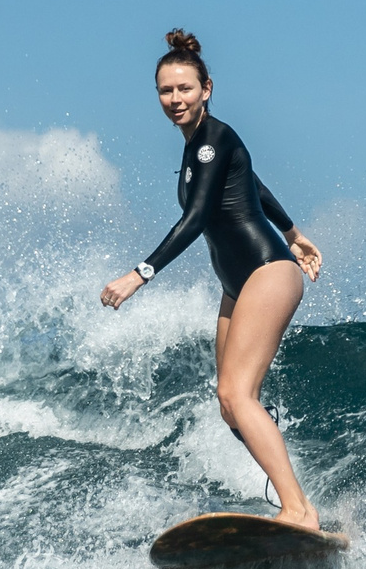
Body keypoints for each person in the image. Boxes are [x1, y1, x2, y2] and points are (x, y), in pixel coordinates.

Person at [100, 29, 326, 530]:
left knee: (235, 395)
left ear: (207, 88)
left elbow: (198, 216)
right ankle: (295, 498)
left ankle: (298, 509)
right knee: (231, 407)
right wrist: (294, 231)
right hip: (237, 284)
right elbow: (254, 185)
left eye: (184, 88)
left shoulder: (213, 138)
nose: (175, 99)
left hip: (267, 273)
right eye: (165, 90)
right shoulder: (198, 147)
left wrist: (139, 275)